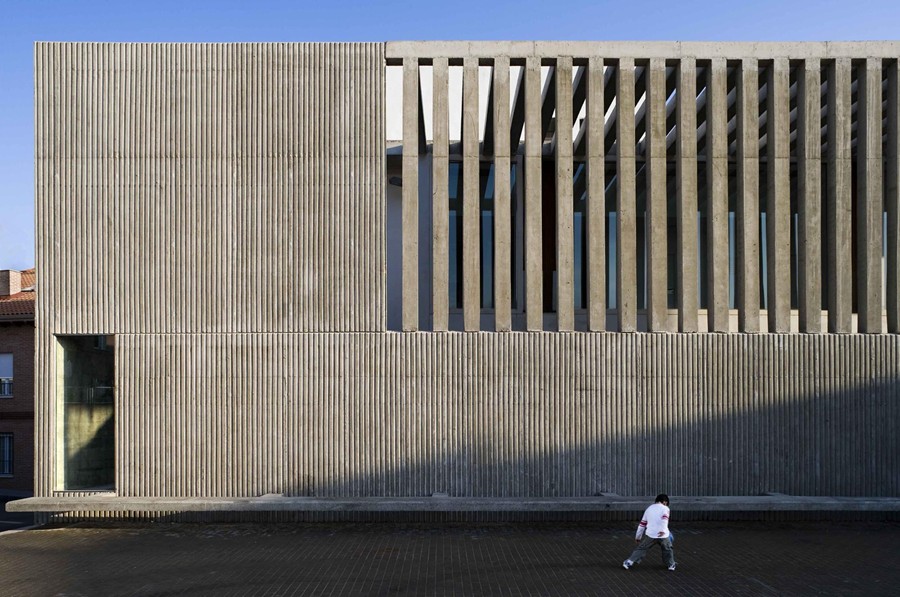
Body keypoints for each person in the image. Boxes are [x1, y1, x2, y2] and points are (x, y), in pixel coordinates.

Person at [622, 493, 676, 571]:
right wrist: (663, 531)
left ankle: (628, 562)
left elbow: (642, 524)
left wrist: (638, 537)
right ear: (664, 502)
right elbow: (665, 519)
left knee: (641, 548)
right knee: (668, 549)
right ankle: (671, 564)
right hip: (663, 535)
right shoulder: (665, 508)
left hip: (651, 534)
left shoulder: (649, 508)